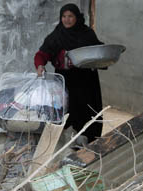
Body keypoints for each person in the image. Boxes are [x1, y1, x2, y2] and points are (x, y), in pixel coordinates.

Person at [34, 3, 104, 142]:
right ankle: (67, 142)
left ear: (77, 17)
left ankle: (89, 141)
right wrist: (40, 65)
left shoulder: (87, 34)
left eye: (70, 16)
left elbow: (98, 51)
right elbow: (41, 54)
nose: (67, 19)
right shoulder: (56, 35)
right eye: (64, 16)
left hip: (86, 80)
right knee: (67, 109)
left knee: (88, 109)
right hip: (65, 80)